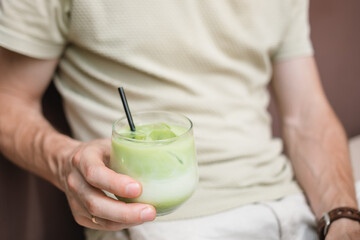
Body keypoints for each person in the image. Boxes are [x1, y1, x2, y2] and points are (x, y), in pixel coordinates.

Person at [0, 1, 359, 239]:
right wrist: (66, 161)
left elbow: (306, 115)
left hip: (294, 205)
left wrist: (342, 216)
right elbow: (8, 102)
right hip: (165, 222)